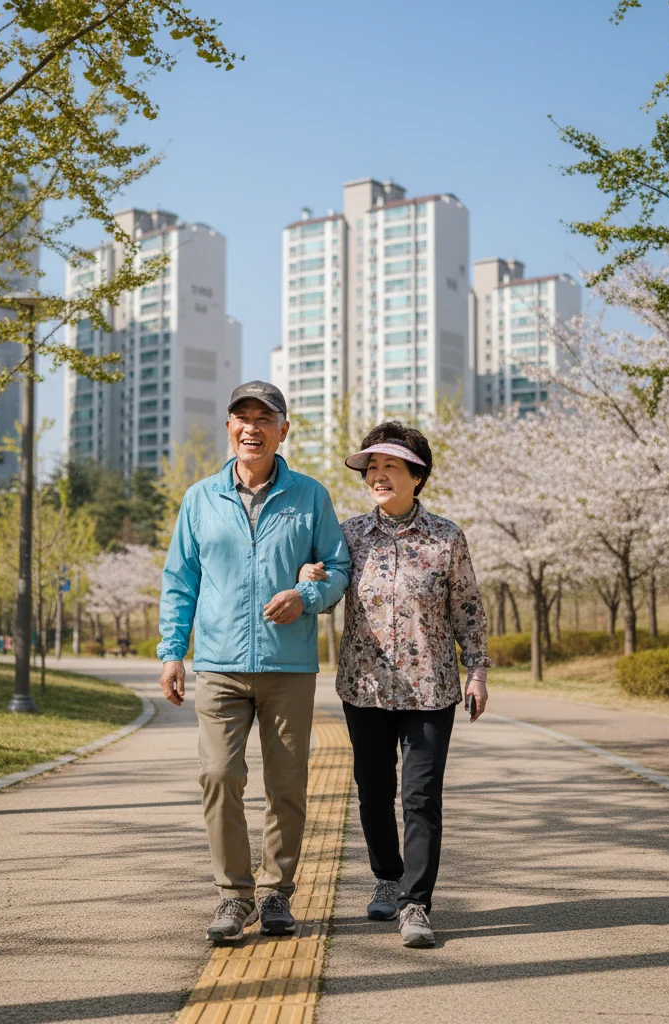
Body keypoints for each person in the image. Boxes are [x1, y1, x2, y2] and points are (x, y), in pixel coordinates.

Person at [158, 381, 351, 944]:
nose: (251, 427)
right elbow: (179, 582)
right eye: (241, 417)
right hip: (218, 665)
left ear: (283, 429)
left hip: (288, 667)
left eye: (263, 418)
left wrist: (306, 597)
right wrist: (173, 651)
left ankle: (276, 894)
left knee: (287, 784)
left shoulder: (310, 495)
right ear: (228, 428)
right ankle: (233, 896)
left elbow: (338, 568)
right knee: (219, 776)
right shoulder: (199, 498)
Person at [299, 420, 490, 948]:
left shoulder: (447, 537)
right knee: (374, 792)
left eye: (390, 467)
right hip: (366, 687)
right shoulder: (351, 535)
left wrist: (477, 671)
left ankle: (416, 903)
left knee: (421, 795)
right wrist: (314, 580)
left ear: (417, 475)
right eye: (372, 468)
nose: (378, 476)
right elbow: (333, 590)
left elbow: (468, 609)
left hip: (432, 689)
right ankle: (387, 877)